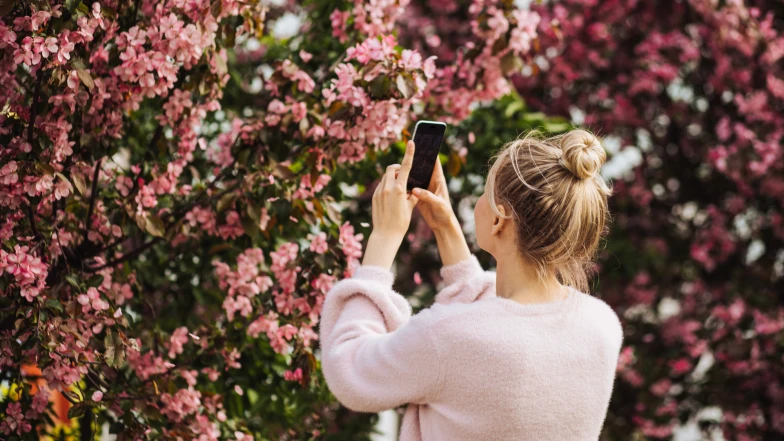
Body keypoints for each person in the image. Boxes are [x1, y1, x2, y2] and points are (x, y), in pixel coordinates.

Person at [318, 129, 624, 441]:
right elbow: (503, 326)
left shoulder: (448, 338)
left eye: (485, 192)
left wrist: (384, 237)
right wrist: (445, 228)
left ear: (497, 220)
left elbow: (351, 370)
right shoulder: (601, 325)